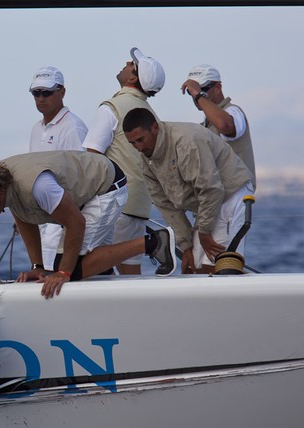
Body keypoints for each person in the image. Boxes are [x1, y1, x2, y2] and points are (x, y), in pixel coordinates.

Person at [0, 151, 176, 299]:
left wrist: (63, 273)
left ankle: (153, 242)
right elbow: (25, 219)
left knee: (72, 268)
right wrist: (38, 267)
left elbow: (76, 223)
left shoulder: (38, 186)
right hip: (84, 196)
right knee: (69, 264)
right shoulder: (7, 186)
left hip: (106, 187)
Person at [122, 107, 255, 274]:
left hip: (230, 194)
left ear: (155, 128)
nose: (138, 148)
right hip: (207, 203)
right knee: (192, 267)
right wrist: (185, 246)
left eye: (141, 140)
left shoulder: (186, 142)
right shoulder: (146, 162)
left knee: (216, 266)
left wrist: (204, 233)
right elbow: (166, 206)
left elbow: (211, 188)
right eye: (132, 143)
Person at [83, 47, 166, 275]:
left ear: (132, 77)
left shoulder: (112, 108)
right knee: (131, 271)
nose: (127, 63)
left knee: (92, 266)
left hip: (114, 205)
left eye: (131, 64)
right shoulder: (150, 113)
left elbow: (92, 160)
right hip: (140, 204)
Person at [28, 66, 88, 271]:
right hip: (45, 218)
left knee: (64, 272)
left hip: (65, 218)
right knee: (47, 271)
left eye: (46, 92)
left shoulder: (73, 127)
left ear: (61, 91)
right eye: (36, 93)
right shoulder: (37, 129)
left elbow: (83, 177)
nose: (41, 98)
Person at [181, 64, 256, 187]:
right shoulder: (207, 123)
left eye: (202, 89)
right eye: (191, 92)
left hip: (236, 194)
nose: (195, 96)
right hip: (216, 197)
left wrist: (199, 95)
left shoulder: (233, 112)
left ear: (218, 88)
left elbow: (225, 126)